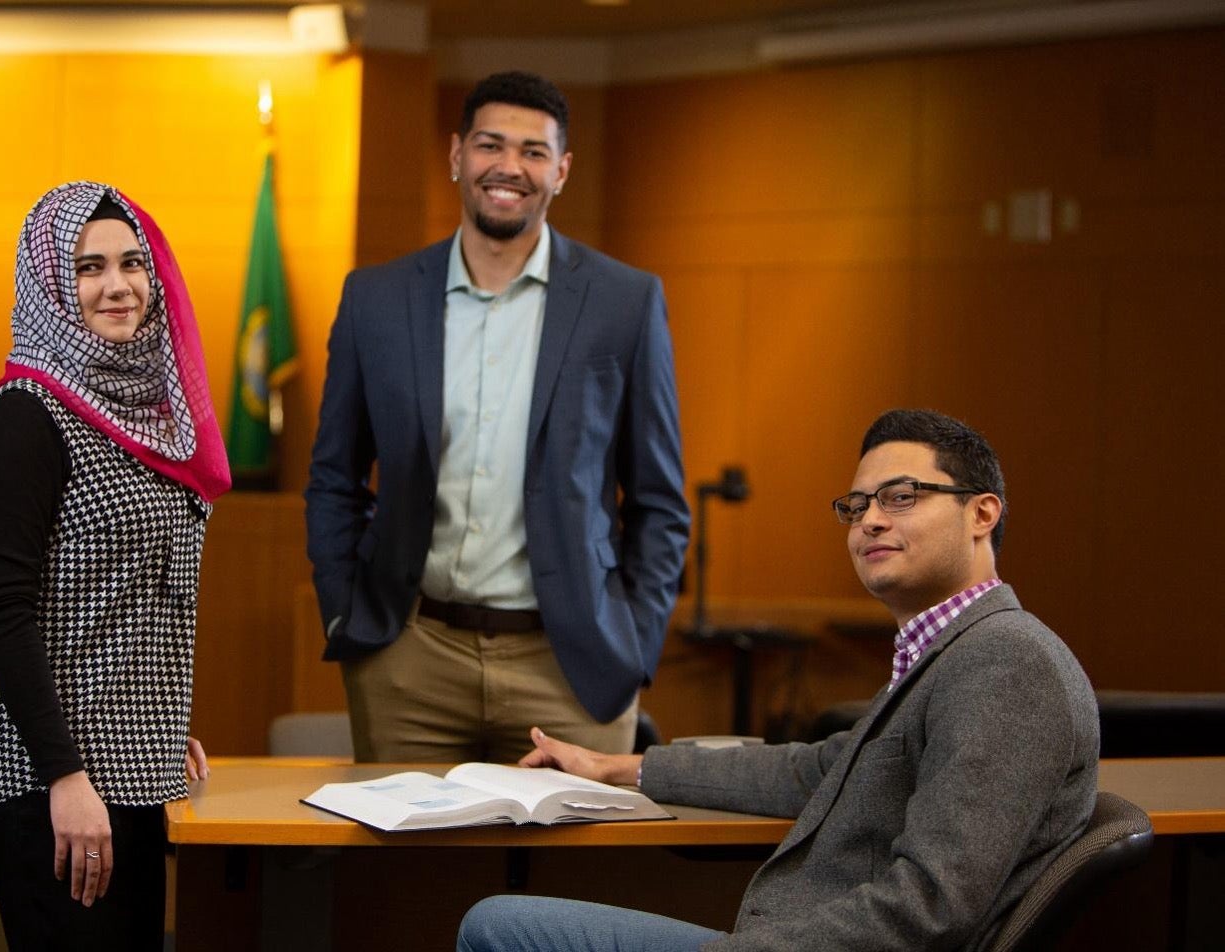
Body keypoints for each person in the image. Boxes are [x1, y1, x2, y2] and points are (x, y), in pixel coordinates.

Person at [459, 409, 1100, 952]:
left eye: (901, 497)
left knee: (496, 926)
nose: (869, 521)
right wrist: (615, 769)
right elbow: (814, 772)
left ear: (982, 513)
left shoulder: (1007, 663)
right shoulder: (953, 650)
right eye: (857, 505)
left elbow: (930, 907)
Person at [305, 71, 689, 763]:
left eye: (534, 151)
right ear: (457, 156)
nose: (510, 167)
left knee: (573, 874)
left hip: (572, 665)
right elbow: (334, 475)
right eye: (490, 145)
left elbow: (660, 502)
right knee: (402, 874)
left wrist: (634, 640)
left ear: (562, 170)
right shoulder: (376, 299)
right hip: (409, 661)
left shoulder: (624, 302)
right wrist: (345, 611)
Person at [0, 181, 231, 950]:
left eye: (132, 263)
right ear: (48, 286)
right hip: (50, 771)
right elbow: (2, 610)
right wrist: (63, 777)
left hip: (125, 753)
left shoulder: (145, 412)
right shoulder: (24, 416)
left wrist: (152, 719)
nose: (118, 285)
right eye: (87, 268)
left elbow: (128, 594)